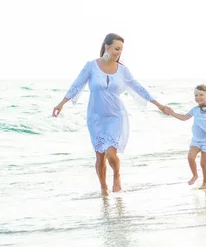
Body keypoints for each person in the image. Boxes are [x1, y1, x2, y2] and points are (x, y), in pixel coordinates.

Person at [52, 33, 171, 195]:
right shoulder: (91, 66)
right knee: (100, 156)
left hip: (115, 115)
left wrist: (158, 105)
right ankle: (104, 189)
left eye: (121, 50)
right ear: (106, 47)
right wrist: (61, 104)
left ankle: (116, 175)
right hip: (95, 117)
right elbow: (76, 85)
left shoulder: (122, 70)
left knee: (110, 153)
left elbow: (138, 87)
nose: (119, 52)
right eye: (116, 48)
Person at [168, 85, 206, 189]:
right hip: (196, 140)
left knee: (203, 163)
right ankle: (195, 175)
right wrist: (172, 113)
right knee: (190, 157)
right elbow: (184, 117)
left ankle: (205, 182)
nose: (198, 97)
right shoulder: (195, 109)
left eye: (201, 95)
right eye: (196, 95)